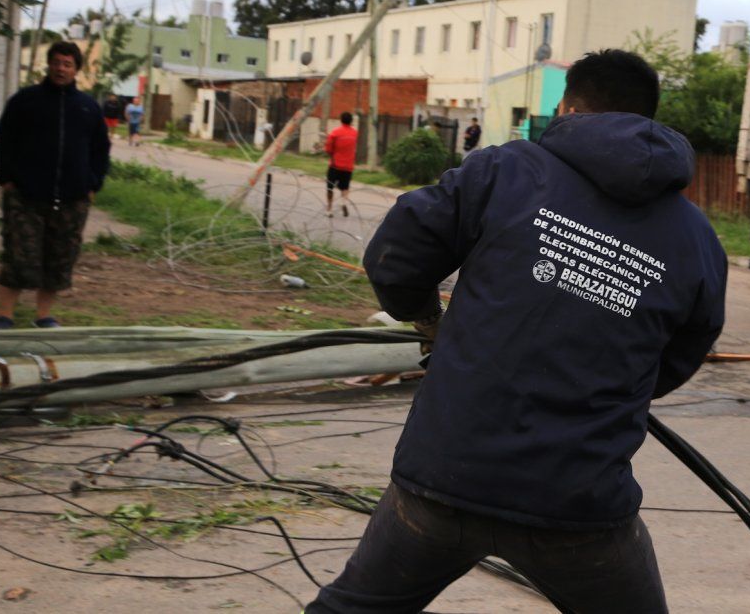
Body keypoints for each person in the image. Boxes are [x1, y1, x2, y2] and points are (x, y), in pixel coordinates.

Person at [305, 50, 727, 613]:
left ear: (569, 107)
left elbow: (396, 256)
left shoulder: (502, 171)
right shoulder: (696, 239)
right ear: (650, 117)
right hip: (578, 511)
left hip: (444, 483)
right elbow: (681, 355)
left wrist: (430, 321)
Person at [0, 41, 110, 329]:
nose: (61, 69)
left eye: (67, 64)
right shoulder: (25, 101)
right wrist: (6, 179)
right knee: (19, 255)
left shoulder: (88, 107)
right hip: (25, 196)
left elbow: (100, 150)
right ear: (49, 65)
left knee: (59, 259)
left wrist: (92, 184)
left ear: (76, 70)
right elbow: (4, 140)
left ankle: (44, 317)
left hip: (72, 198)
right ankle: (4, 315)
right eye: (56, 62)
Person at [324, 111, 357, 218]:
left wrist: (332, 154)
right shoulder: (354, 133)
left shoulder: (335, 133)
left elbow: (328, 149)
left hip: (335, 165)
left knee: (330, 187)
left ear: (341, 120)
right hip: (348, 166)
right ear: (351, 121)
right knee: (345, 187)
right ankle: (343, 202)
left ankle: (329, 209)